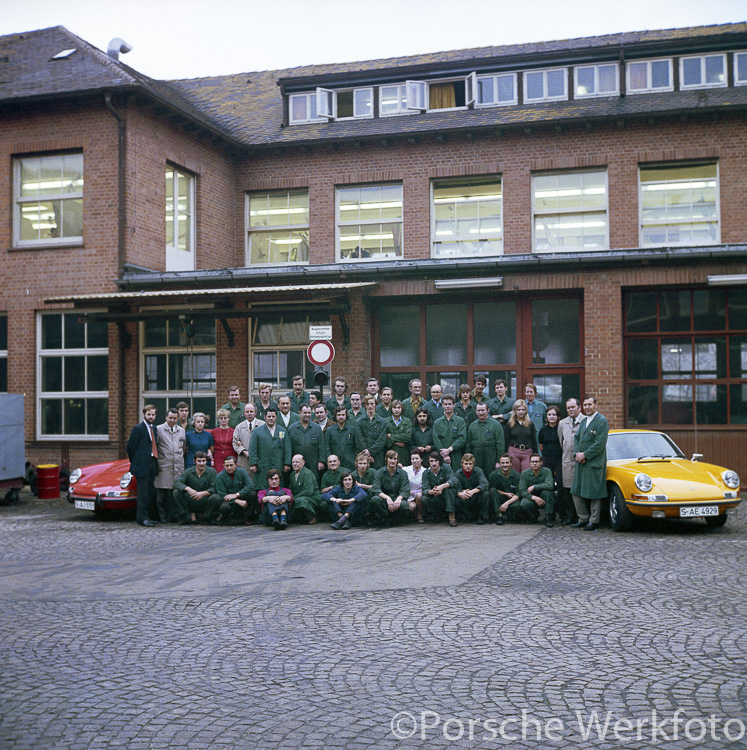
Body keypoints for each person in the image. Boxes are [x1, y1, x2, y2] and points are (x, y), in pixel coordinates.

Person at [570, 396, 609, 531]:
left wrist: (585, 454)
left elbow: (599, 443)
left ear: (595, 405)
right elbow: (576, 438)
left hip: (594, 462)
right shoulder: (584, 421)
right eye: (585, 405)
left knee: (594, 492)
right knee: (576, 490)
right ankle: (583, 518)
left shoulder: (602, 421)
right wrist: (577, 453)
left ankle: (594, 521)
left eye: (589, 404)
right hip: (581, 462)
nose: (587, 407)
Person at [126, 404, 160, 526]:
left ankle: (149, 517)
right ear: (144, 414)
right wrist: (137, 461)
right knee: (142, 494)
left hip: (152, 463)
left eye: (153, 415)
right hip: (142, 465)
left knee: (150, 492)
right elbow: (130, 448)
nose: (151, 417)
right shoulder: (138, 429)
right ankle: (142, 518)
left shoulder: (154, 428)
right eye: (149, 414)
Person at [154, 407, 186, 523]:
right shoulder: (158, 429)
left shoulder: (181, 430)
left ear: (177, 419)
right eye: (170, 418)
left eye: (174, 418)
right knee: (161, 495)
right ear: (166, 417)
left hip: (177, 466)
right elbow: (154, 447)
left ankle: (174, 516)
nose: (172, 420)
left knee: (175, 494)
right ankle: (162, 516)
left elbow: (183, 447)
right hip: (164, 465)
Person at [248, 407, 292, 489]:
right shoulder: (257, 431)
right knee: (263, 486)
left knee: (279, 487)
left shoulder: (282, 431)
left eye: (273, 416)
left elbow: (287, 449)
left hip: (278, 464)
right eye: (269, 416)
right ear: (265, 417)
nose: (271, 419)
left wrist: (287, 463)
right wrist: (253, 463)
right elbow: (252, 449)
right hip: (263, 464)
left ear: (276, 417)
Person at [172, 452, 220, 525]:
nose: (201, 463)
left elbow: (214, 487)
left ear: (206, 461)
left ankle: (206, 517)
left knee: (216, 497)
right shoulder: (188, 471)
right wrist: (188, 489)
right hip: (192, 498)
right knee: (176, 492)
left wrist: (202, 493)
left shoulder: (212, 472)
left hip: (205, 499)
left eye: (203, 461)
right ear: (194, 461)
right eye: (199, 461)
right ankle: (186, 517)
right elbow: (177, 483)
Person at [368, 450, 411, 527]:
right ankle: (386, 518)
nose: (393, 461)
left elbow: (405, 489)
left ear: (397, 460)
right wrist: (387, 498)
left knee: (404, 505)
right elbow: (376, 488)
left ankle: (394, 519)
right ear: (386, 459)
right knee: (375, 500)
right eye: (390, 458)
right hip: (384, 498)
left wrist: (399, 499)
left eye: (395, 459)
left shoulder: (403, 473)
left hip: (397, 498)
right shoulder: (379, 472)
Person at [557, 397, 583, 525]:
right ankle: (570, 517)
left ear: (579, 407)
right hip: (567, 461)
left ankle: (582, 517)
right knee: (567, 490)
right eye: (568, 408)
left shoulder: (585, 421)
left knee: (580, 490)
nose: (570, 410)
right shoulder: (562, 423)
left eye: (573, 407)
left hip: (581, 462)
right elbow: (562, 442)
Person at [212, 455, 258, 525]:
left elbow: (250, 486)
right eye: (227, 466)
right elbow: (222, 494)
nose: (229, 468)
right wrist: (236, 500)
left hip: (242, 497)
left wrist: (237, 495)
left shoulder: (242, 472)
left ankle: (247, 517)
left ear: (236, 465)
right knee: (224, 507)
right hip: (228, 501)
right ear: (223, 466)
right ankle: (226, 518)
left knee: (252, 494)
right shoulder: (220, 477)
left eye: (231, 465)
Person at [287, 405, 326, 481]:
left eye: (309, 413)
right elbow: (288, 447)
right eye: (305, 413)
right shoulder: (292, 428)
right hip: (297, 463)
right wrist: (288, 463)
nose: (307, 415)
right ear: (299, 413)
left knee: (313, 480)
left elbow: (321, 446)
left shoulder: (316, 428)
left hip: (313, 462)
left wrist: (321, 461)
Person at [450, 453, 490, 524]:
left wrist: (473, 491)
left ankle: (481, 515)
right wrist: (461, 493)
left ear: (473, 464)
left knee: (486, 493)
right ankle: (467, 515)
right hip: (465, 496)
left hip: (475, 495)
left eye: (470, 464)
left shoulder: (478, 471)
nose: (468, 466)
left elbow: (485, 484)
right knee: (456, 499)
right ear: (462, 464)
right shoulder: (458, 473)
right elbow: (456, 488)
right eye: (466, 464)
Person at [517, 453, 556, 526]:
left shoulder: (547, 471)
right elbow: (522, 490)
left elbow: (550, 485)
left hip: (543, 496)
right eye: (532, 462)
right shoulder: (525, 473)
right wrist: (534, 498)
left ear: (541, 463)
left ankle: (548, 517)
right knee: (524, 503)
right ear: (529, 463)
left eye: (537, 461)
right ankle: (533, 517)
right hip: (531, 497)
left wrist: (534, 486)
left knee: (548, 493)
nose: (534, 463)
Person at [467, 402, 505, 476]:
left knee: (490, 477)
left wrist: (499, 461)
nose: (480, 413)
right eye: (478, 410)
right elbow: (468, 445)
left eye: (483, 410)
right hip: (476, 457)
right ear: (476, 411)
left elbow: (500, 444)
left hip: (491, 457)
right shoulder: (472, 426)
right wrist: (469, 460)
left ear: (488, 410)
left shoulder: (496, 425)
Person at [538, 405, 562, 519]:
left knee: (561, 486)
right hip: (547, 460)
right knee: (549, 486)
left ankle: (563, 514)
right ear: (546, 417)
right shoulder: (543, 430)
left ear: (558, 417)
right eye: (549, 415)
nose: (551, 417)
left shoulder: (561, 429)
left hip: (560, 460)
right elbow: (541, 446)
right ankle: (549, 513)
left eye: (554, 415)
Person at [421, 451, 457, 527]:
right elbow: (425, 489)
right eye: (431, 461)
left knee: (449, 489)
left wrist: (442, 487)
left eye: (436, 461)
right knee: (424, 498)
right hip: (436, 496)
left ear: (439, 461)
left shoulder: (446, 467)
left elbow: (454, 480)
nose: (434, 463)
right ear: (428, 462)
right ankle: (437, 515)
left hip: (447, 495)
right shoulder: (426, 473)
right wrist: (432, 491)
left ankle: (451, 516)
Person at [504, 399, 538, 473]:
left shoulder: (530, 424)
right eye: (518, 410)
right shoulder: (510, 424)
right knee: (514, 474)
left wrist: (535, 455)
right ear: (515, 411)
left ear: (526, 411)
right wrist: (505, 455)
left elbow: (534, 440)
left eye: (523, 409)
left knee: (526, 474)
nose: (521, 412)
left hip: (527, 452)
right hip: (513, 452)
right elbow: (506, 441)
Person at [432, 394, 467, 467]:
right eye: (445, 404)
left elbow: (462, 439)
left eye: (449, 404)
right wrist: (444, 455)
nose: (447, 406)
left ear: (454, 405)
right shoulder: (437, 422)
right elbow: (436, 439)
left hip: (456, 455)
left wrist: (449, 449)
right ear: (442, 405)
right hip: (441, 456)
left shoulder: (460, 421)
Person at [289, 454, 324, 524]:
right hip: (301, 497)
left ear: (303, 463)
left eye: (297, 462)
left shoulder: (308, 473)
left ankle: (312, 517)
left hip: (313, 497)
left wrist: (293, 498)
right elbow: (291, 489)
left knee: (299, 500)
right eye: (293, 462)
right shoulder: (292, 474)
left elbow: (308, 491)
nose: (295, 464)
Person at [355, 395, 388, 469]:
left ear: (376, 405)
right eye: (367, 404)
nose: (370, 406)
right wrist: (367, 455)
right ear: (365, 406)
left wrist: (370, 452)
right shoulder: (359, 422)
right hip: (362, 456)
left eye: (372, 404)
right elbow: (359, 439)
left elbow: (382, 440)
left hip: (378, 456)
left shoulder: (382, 422)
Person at [489, 453, 521, 525]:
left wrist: (507, 503)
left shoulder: (517, 476)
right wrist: (505, 493)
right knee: (492, 491)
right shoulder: (493, 475)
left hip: (512, 500)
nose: (505, 465)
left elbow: (519, 493)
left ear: (511, 463)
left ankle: (511, 515)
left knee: (518, 505)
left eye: (507, 462)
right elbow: (491, 489)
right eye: (502, 463)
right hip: (498, 499)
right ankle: (498, 516)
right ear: (499, 464)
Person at [233, 403, 265, 472]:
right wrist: (244, 451)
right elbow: (234, 443)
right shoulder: (239, 427)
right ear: (244, 413)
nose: (249, 414)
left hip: (259, 460)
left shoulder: (263, 425)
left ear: (255, 413)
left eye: (251, 411)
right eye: (247, 412)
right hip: (244, 461)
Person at [325, 406, 358, 471]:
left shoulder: (352, 430)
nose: (341, 417)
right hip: (335, 464)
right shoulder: (330, 430)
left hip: (350, 463)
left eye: (343, 415)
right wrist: (330, 460)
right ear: (335, 416)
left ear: (346, 416)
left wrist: (354, 459)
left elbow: (356, 446)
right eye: (339, 415)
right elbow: (327, 447)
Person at [386, 399, 412, 466]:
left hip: (403, 453)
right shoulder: (386, 421)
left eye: (398, 407)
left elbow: (407, 437)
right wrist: (397, 442)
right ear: (391, 409)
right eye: (394, 407)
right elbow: (384, 438)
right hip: (390, 452)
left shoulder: (407, 421)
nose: (396, 410)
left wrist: (391, 436)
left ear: (402, 409)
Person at [210, 408, 237, 473]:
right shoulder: (213, 432)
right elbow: (211, 445)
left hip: (231, 456)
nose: (223, 420)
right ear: (218, 419)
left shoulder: (234, 431)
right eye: (221, 418)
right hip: (218, 457)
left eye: (225, 418)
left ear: (228, 418)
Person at [404, 449, 425, 523]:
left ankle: (419, 514)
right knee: (411, 507)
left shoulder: (425, 471)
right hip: (409, 495)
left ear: (421, 459)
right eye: (412, 459)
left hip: (420, 495)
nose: (414, 461)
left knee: (419, 495)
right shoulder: (405, 470)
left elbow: (425, 486)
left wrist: (416, 492)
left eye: (417, 458)